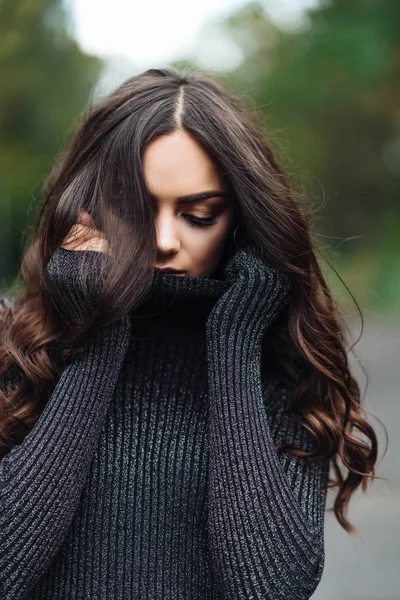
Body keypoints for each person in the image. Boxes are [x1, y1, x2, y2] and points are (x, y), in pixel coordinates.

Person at [0, 67, 379, 599]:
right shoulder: (11, 342)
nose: (162, 240)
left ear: (240, 221)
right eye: (134, 207)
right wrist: (97, 332)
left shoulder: (286, 365)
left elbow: (272, 590)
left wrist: (234, 346)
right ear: (88, 203)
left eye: (198, 215)